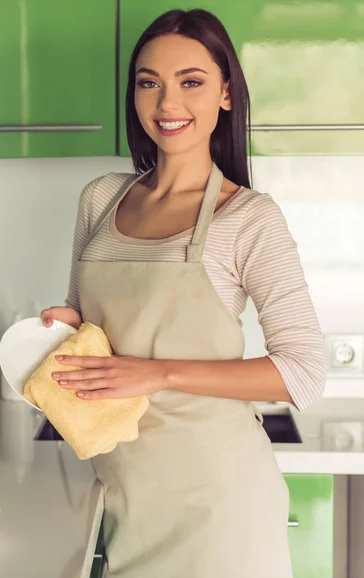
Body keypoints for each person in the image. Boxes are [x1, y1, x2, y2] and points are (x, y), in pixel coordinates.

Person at [40, 8, 327, 578]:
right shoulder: (101, 199)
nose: (167, 103)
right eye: (150, 82)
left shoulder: (247, 217)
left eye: (190, 82)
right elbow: (93, 322)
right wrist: (64, 327)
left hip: (219, 505)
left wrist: (157, 372)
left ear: (225, 92)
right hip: (122, 489)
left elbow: (304, 373)